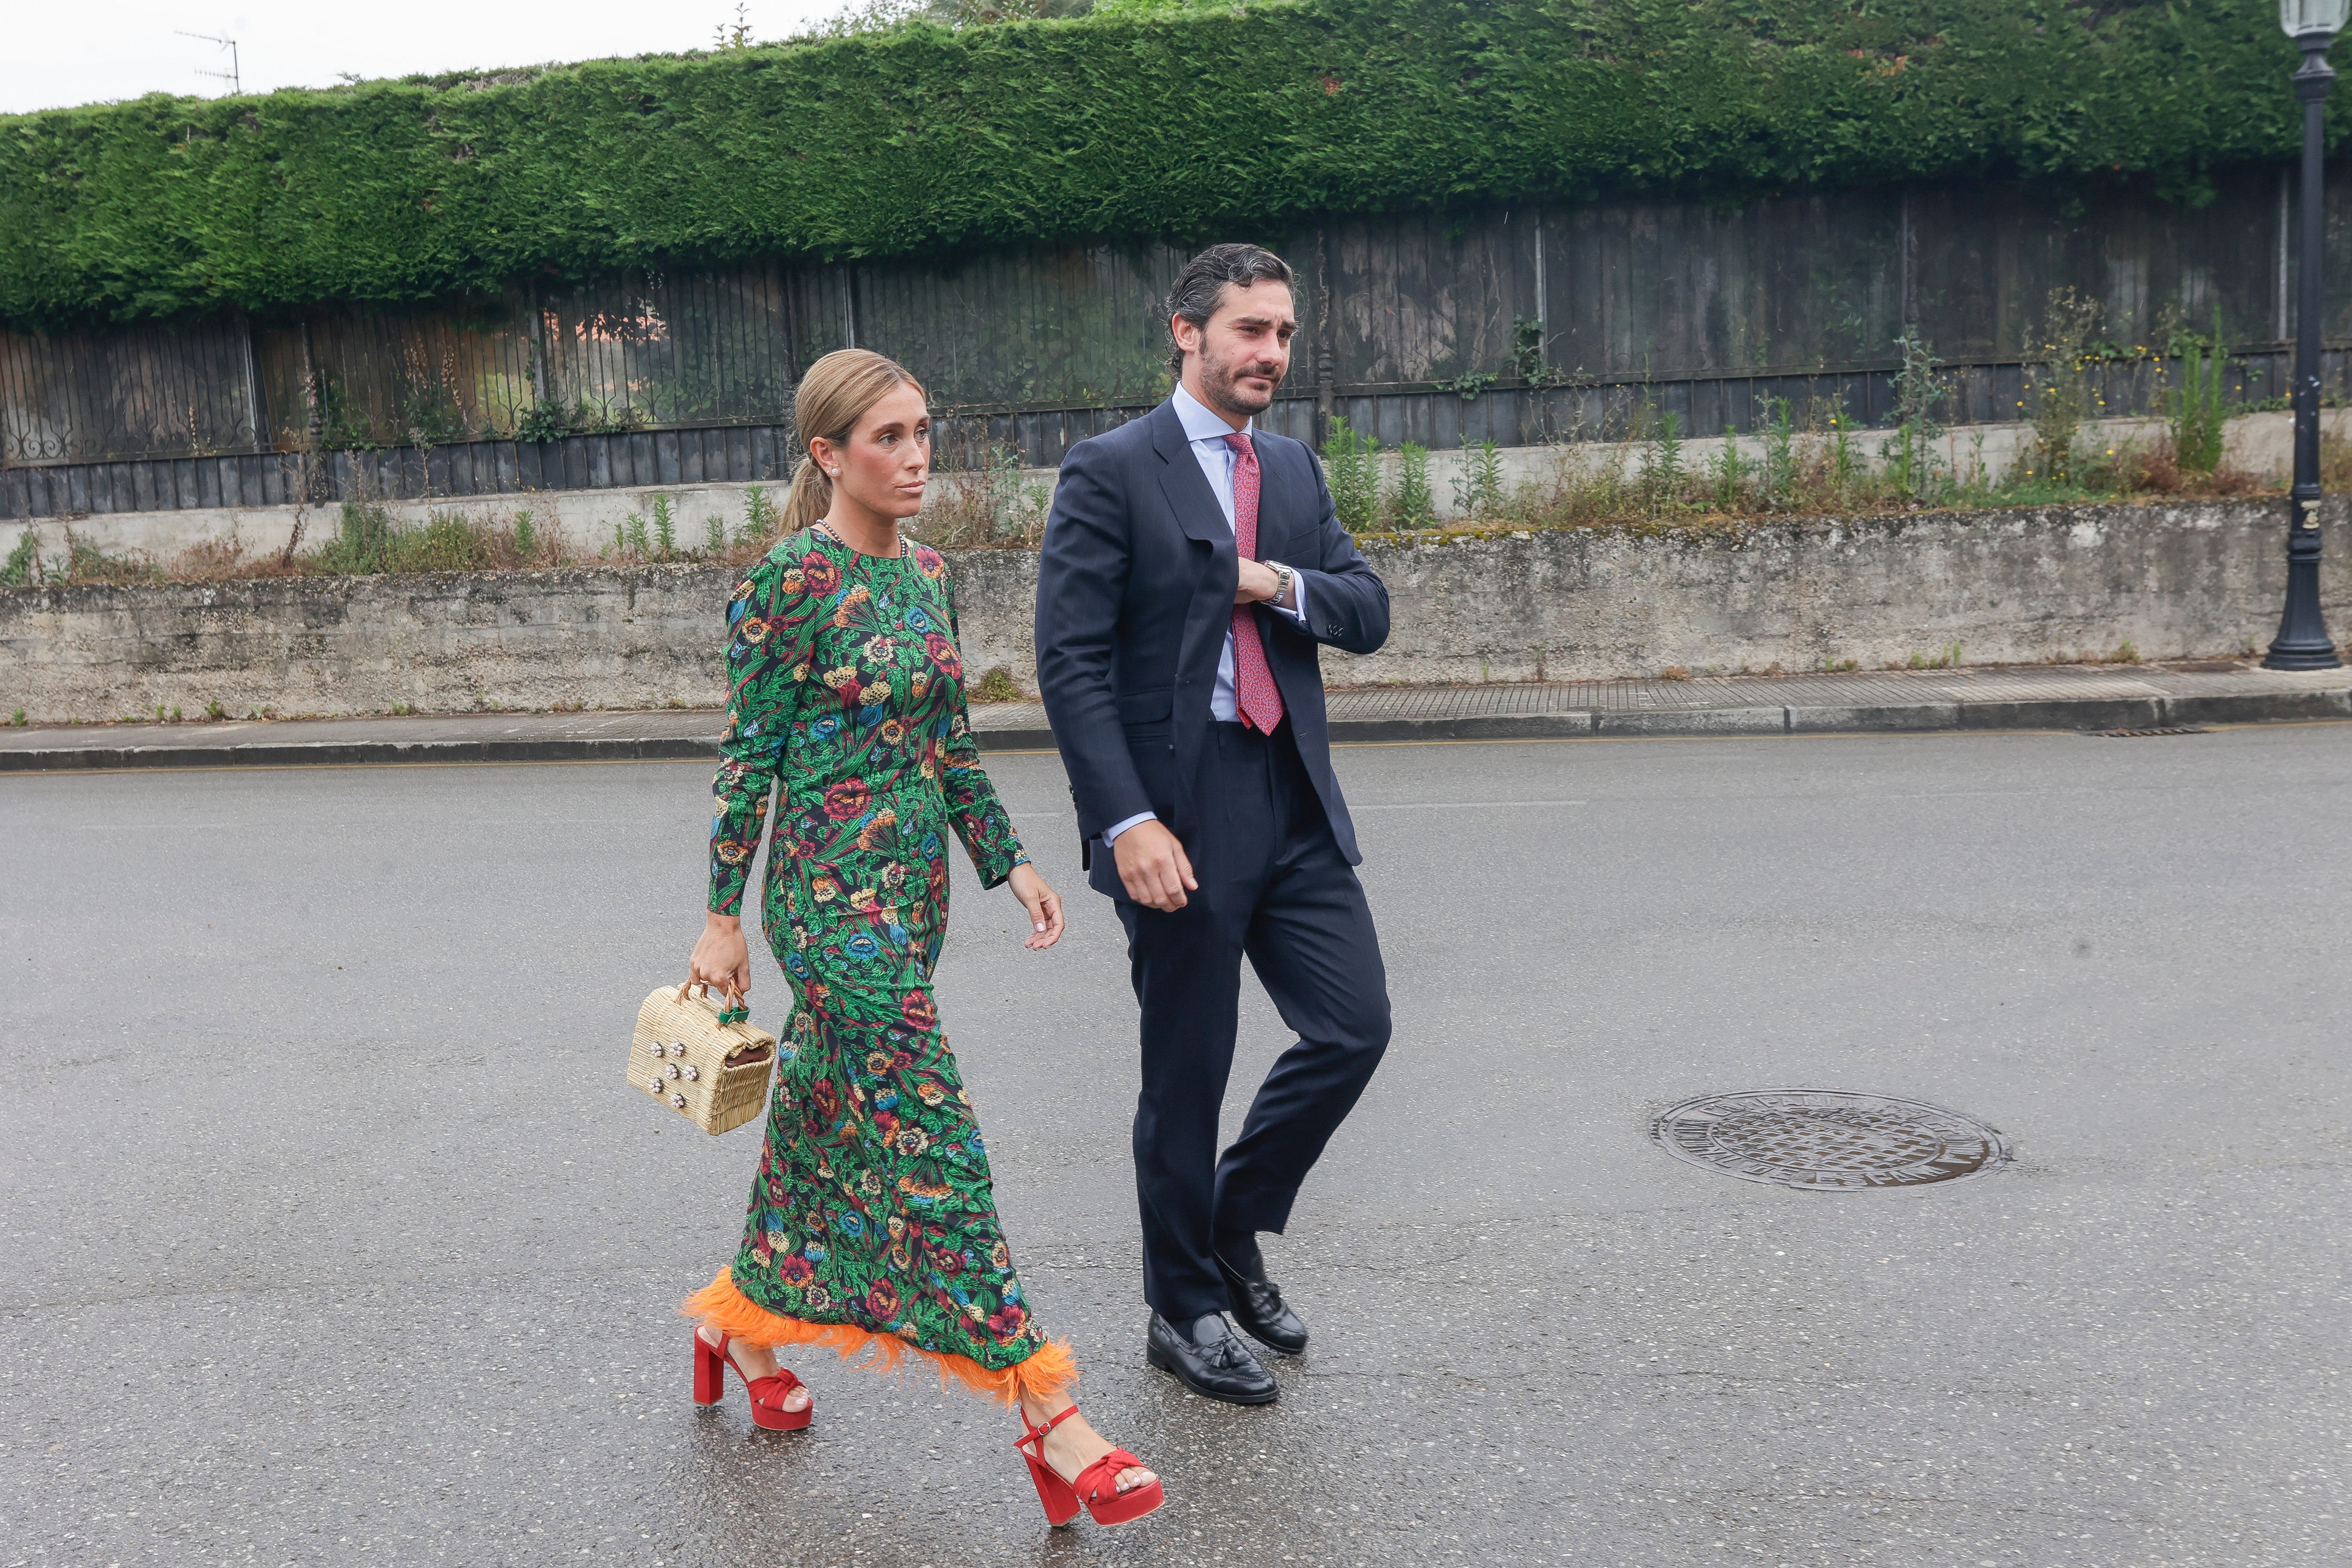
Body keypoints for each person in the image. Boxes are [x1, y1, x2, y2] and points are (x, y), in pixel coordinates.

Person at [682, 348, 1163, 1529]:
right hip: (823, 908)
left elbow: (951, 740)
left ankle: (735, 1327)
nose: (914, 459)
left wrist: (1011, 863)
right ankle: (1046, 1413)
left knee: (819, 1120)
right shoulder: (790, 584)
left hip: (913, 900)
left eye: (922, 433)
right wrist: (719, 920)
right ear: (827, 454)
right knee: (932, 1135)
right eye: (887, 438)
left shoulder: (929, 575)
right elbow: (748, 760)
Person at [1033, 244, 1394, 1406]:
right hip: (1178, 813)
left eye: (1284, 334)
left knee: (1353, 1028)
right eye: (1250, 331)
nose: (1272, 355)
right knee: (1186, 1073)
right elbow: (1071, 664)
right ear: (1186, 332)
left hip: (1289, 795)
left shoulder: (1290, 470)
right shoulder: (1112, 470)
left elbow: (1365, 611)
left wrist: (1267, 581)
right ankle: (1181, 1307)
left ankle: (1232, 1225)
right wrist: (1124, 819)